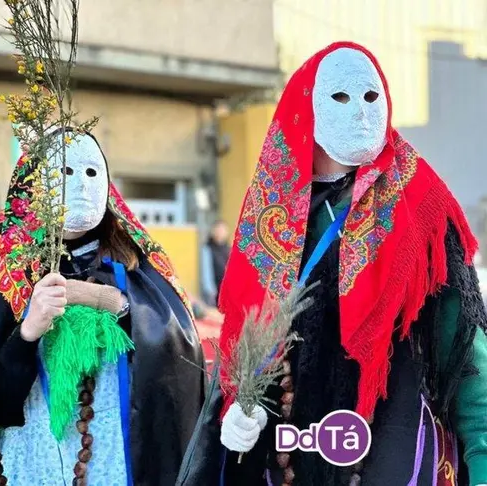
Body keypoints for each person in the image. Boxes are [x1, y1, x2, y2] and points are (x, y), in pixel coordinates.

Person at [177, 42, 487, 486]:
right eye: (340, 96)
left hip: (390, 452)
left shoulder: (421, 207)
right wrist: (237, 406)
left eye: (370, 96)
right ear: (308, 105)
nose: (360, 114)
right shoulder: (273, 205)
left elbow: (468, 356)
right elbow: (250, 334)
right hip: (287, 458)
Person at [0, 128, 205, 485]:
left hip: (117, 460)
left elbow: (178, 350)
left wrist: (114, 303)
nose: (80, 186)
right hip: (36, 461)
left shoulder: (134, 261)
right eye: (64, 173)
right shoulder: (14, 270)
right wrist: (28, 330)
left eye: (91, 172)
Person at [199, 219, 229, 306]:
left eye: (223, 230)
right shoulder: (207, 249)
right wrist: (210, 292)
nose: (220, 232)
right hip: (214, 292)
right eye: (218, 229)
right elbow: (206, 272)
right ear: (213, 231)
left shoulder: (228, 249)